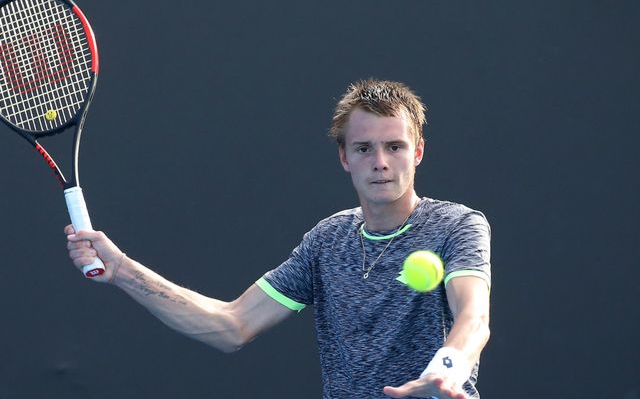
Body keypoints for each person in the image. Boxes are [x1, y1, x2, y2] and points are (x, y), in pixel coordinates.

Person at [65, 79, 491, 399]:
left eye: (394, 147)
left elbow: (473, 317)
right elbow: (231, 325)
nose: (380, 162)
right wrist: (121, 269)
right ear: (344, 157)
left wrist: (445, 369)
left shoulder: (456, 225)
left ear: (418, 152)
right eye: (364, 148)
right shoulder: (327, 242)